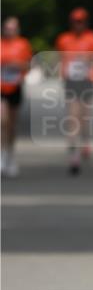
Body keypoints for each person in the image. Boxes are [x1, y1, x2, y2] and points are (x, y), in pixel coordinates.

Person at [55, 8, 93, 174]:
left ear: (86, 22)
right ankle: (74, 155)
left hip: (87, 81)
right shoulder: (64, 39)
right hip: (71, 82)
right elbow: (59, 60)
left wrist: (88, 60)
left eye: (81, 21)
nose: (78, 24)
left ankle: (85, 142)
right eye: (75, 21)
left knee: (84, 117)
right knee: (73, 116)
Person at [1, 16, 32, 177]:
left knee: (12, 125)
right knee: (2, 120)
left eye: (13, 28)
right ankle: (2, 155)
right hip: (1, 89)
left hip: (15, 87)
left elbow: (28, 66)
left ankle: (11, 155)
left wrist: (16, 65)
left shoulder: (23, 44)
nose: (9, 31)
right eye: (7, 28)